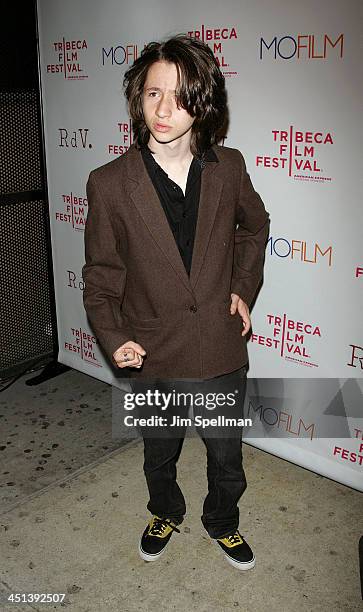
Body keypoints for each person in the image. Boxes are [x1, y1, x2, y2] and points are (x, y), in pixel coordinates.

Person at [82, 34, 270, 571]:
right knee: (159, 454)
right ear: (137, 98)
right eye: (153, 93)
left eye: (181, 95)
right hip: (154, 352)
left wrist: (242, 285)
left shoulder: (228, 167)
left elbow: (254, 229)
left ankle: (222, 521)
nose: (164, 109)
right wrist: (114, 337)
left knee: (226, 457)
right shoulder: (110, 184)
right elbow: (101, 275)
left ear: (203, 103)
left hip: (217, 347)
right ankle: (164, 510)